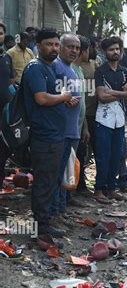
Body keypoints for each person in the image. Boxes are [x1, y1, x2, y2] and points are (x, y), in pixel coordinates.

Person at [23, 29, 74, 237]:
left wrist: (64, 99)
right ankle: (40, 230)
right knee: (44, 182)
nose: (53, 48)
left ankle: (45, 224)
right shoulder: (36, 68)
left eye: (56, 44)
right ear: (38, 45)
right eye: (49, 44)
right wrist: (62, 97)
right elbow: (41, 99)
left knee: (50, 180)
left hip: (54, 135)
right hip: (43, 136)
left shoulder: (50, 67)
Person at [93, 37, 127, 204]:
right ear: (106, 52)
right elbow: (102, 97)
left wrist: (115, 92)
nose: (115, 52)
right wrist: (122, 92)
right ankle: (99, 190)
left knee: (117, 155)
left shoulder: (126, 72)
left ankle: (111, 189)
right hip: (103, 119)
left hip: (119, 119)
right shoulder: (101, 71)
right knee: (103, 156)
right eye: (111, 49)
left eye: (117, 49)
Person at [49, 34, 82, 220]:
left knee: (66, 174)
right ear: (61, 47)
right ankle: (54, 214)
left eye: (77, 48)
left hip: (72, 130)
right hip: (60, 131)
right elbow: (49, 95)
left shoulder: (72, 69)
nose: (74, 51)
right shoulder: (56, 67)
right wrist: (63, 100)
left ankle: (61, 210)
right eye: (70, 47)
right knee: (57, 174)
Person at [76, 36, 99, 194]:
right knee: (79, 151)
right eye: (92, 47)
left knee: (93, 150)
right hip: (81, 116)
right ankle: (78, 185)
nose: (94, 50)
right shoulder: (73, 68)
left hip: (93, 114)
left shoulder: (94, 65)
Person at [72, 35, 92, 199]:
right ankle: (68, 196)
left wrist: (85, 126)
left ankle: (75, 191)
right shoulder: (70, 70)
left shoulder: (79, 70)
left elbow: (82, 102)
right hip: (70, 128)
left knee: (78, 159)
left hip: (79, 126)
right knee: (69, 163)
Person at [0, 23, 16, 189]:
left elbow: (11, 83)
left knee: (2, 154)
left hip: (4, 116)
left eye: (1, 33)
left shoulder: (6, 58)